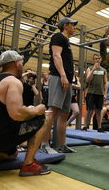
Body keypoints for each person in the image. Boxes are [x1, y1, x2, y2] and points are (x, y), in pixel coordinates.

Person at [0, 50, 51, 177]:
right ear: (16, 63)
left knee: (13, 155)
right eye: (21, 62)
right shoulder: (12, 81)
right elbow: (17, 114)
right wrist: (36, 110)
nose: (23, 66)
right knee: (43, 118)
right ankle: (29, 165)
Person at [40, 17, 78, 154]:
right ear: (66, 25)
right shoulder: (58, 37)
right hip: (58, 77)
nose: (75, 27)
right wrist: (62, 75)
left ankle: (62, 145)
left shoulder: (66, 41)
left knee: (64, 114)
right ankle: (44, 144)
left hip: (67, 80)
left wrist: (68, 78)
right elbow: (56, 56)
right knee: (52, 111)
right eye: (73, 24)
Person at [83, 54, 107, 132]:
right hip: (91, 93)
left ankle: (99, 127)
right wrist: (93, 70)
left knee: (99, 111)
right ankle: (85, 126)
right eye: (95, 58)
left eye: (98, 58)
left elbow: (105, 83)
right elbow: (87, 80)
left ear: (101, 59)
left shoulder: (103, 70)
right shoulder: (89, 69)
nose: (97, 60)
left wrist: (105, 93)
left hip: (100, 93)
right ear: (93, 60)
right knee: (89, 110)